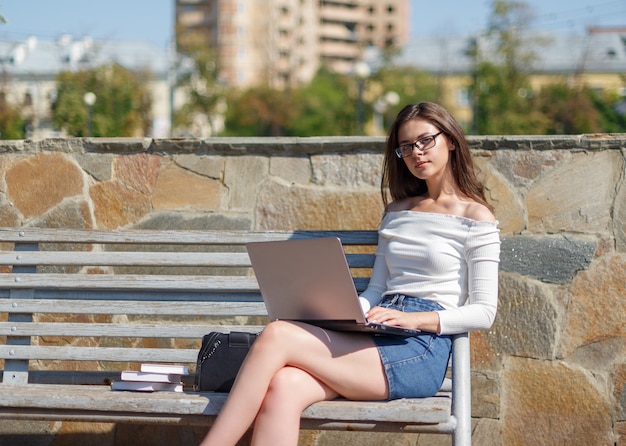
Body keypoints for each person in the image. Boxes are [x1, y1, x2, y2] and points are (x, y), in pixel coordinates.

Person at [200, 102, 501, 446]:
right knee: (285, 384)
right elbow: (377, 289)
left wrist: (414, 320)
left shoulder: (476, 218)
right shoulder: (398, 211)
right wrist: (345, 310)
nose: (416, 152)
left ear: (450, 140)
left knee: (277, 335)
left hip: (419, 347)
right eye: (406, 147)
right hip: (376, 331)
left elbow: (483, 312)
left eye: (425, 141)